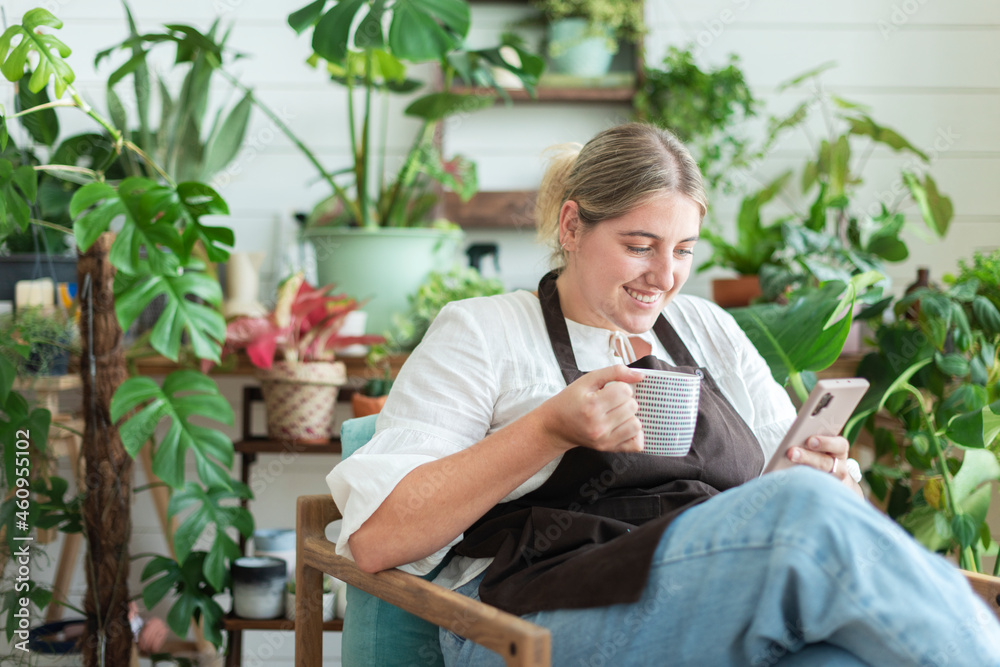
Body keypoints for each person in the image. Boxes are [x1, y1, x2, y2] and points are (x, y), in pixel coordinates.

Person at [327, 122, 1000, 666]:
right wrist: (550, 429)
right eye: (640, 245)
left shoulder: (706, 326)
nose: (664, 276)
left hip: (701, 596)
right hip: (526, 620)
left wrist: (828, 476)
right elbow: (380, 538)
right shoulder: (484, 330)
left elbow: (778, 497)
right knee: (803, 510)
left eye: (684, 250)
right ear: (571, 227)